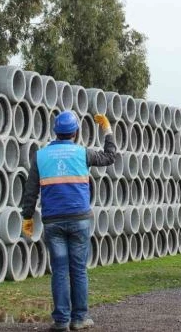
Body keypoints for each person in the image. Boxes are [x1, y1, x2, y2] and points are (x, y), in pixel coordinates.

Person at [21, 110, 118, 331]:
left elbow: (31, 190)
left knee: (60, 270)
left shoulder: (41, 156)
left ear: (55, 131)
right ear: (75, 132)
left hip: (53, 221)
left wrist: (27, 216)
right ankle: (79, 318)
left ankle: (61, 321)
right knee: (78, 269)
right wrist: (107, 130)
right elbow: (109, 157)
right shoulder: (83, 153)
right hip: (79, 219)